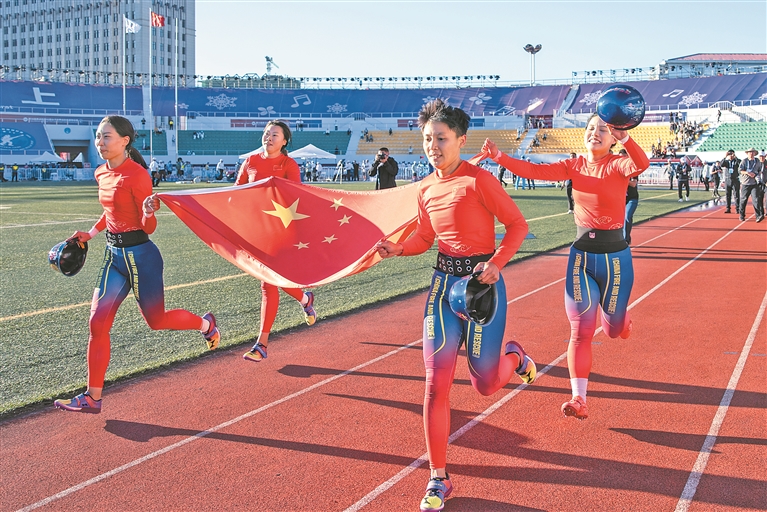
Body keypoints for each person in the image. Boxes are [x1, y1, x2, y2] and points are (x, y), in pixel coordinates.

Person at [376, 99, 535, 512]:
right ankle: (439, 477)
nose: (433, 146)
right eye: (428, 139)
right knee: (436, 383)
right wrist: (399, 248)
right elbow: (425, 238)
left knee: (485, 384)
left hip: (482, 287)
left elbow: (517, 226)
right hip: (443, 289)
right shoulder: (425, 188)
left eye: (441, 138)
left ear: (461, 140)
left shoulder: (480, 180)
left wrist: (496, 264)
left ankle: (515, 357)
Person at [482, 111, 650, 421]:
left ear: (613, 138)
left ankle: (621, 321)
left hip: (615, 260)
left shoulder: (618, 164)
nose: (595, 133)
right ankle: (579, 398)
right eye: (591, 128)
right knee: (581, 330)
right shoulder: (574, 166)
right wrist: (499, 156)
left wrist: (626, 137)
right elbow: (533, 171)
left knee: (613, 329)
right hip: (581, 259)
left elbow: (641, 164)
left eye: (603, 129)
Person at [53, 115, 220, 414]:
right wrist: (90, 233)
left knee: (157, 321)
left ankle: (206, 325)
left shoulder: (138, 175)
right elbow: (110, 212)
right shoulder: (101, 172)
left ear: (125, 141)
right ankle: (92, 397)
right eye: (98, 136)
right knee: (97, 323)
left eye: (106, 136)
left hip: (142, 257)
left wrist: (148, 211)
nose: (100, 142)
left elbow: (148, 227)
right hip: (113, 257)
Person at [235, 120, 318, 362]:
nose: (268, 138)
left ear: (284, 141)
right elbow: (236, 191)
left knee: (268, 283)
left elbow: (295, 195)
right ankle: (305, 299)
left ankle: (261, 344)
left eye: (274, 135)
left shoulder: (288, 164)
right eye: (266, 133)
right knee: (274, 279)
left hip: (280, 231)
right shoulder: (250, 161)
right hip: (256, 230)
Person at [738, 148, 764, 222]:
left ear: (755, 153)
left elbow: (759, 170)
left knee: (756, 199)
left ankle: (758, 216)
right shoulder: (744, 161)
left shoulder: (757, 161)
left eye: (753, 152)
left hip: (754, 184)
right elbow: (740, 171)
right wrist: (747, 173)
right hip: (745, 183)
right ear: (747, 153)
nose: (751, 153)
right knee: (743, 200)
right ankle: (742, 215)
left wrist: (756, 175)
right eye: (750, 152)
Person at [721, 149, 741, 214]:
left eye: (731, 154)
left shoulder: (736, 161)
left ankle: (737, 208)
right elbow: (721, 164)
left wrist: (735, 157)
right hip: (727, 179)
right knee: (727, 195)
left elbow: (740, 164)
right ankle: (728, 208)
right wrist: (725, 156)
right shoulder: (726, 162)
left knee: (736, 195)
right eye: (729, 154)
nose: (730, 156)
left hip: (735, 179)